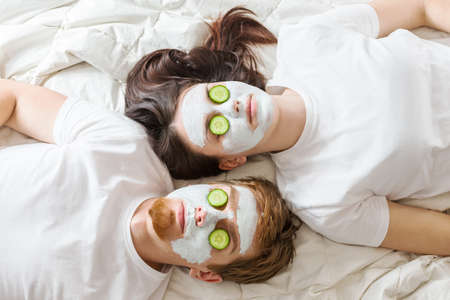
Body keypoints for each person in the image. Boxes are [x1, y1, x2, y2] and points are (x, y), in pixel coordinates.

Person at [124, 0, 450, 256]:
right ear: (231, 162)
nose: (231, 107)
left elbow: (422, 6)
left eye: (216, 96)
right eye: (217, 127)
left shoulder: (306, 40)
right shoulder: (320, 202)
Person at [0, 79, 301, 300]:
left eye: (223, 237)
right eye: (218, 199)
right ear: (208, 185)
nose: (203, 215)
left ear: (205, 273)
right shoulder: (124, 144)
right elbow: (14, 100)